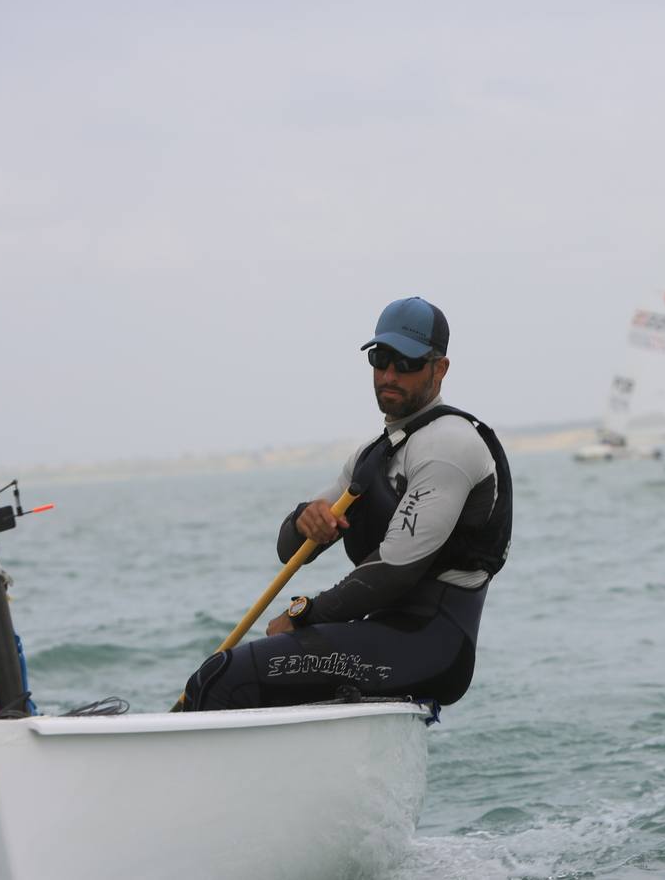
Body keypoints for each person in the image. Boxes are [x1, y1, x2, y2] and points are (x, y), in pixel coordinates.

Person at [182, 297, 512, 711]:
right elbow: (290, 550)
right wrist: (306, 520)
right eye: (381, 358)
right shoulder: (371, 456)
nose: (390, 375)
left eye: (407, 363)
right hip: (382, 637)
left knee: (222, 678)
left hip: (431, 646)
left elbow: (392, 571)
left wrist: (303, 615)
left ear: (439, 368)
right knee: (221, 677)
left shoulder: (450, 445)